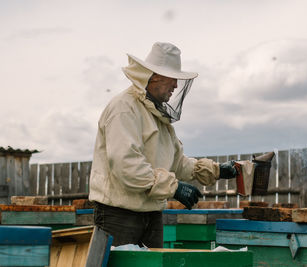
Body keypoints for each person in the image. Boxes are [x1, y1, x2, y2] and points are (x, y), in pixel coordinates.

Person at [89, 42, 238, 248]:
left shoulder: (157, 116)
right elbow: (126, 166)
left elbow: (176, 163)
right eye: (173, 78)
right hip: (119, 215)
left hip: (151, 214)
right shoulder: (124, 109)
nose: (176, 86)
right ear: (155, 76)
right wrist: (174, 187)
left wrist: (216, 170)